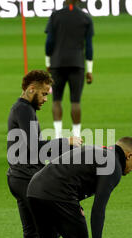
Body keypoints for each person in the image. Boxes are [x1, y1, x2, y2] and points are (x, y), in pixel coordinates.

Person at [7, 70, 82, 238]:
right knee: (49, 232)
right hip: (28, 178)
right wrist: (66, 142)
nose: (46, 98)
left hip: (17, 177)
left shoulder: (22, 109)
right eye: (43, 93)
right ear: (31, 89)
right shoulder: (23, 110)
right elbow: (36, 148)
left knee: (31, 234)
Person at [44, 0, 94, 139]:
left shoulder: (55, 16)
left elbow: (49, 42)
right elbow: (89, 46)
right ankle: (76, 136)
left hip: (57, 63)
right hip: (77, 64)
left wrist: (48, 61)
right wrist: (89, 70)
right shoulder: (85, 18)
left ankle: (58, 136)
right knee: (75, 102)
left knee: (56, 100)